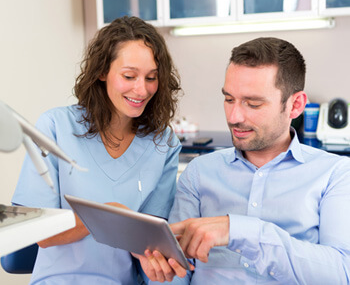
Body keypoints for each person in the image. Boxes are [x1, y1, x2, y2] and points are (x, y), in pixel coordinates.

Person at [141, 37, 350, 284]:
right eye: (229, 99)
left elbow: (341, 272)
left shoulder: (335, 174)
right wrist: (160, 267)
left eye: (253, 103)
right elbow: (177, 269)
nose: (234, 116)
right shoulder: (199, 173)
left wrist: (239, 231)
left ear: (295, 106)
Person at [11, 16, 182, 284]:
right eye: (129, 76)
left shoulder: (164, 143)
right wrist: (106, 214)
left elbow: (151, 240)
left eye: (151, 78)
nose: (142, 89)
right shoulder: (55, 126)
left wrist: (154, 259)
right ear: (102, 72)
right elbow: (39, 233)